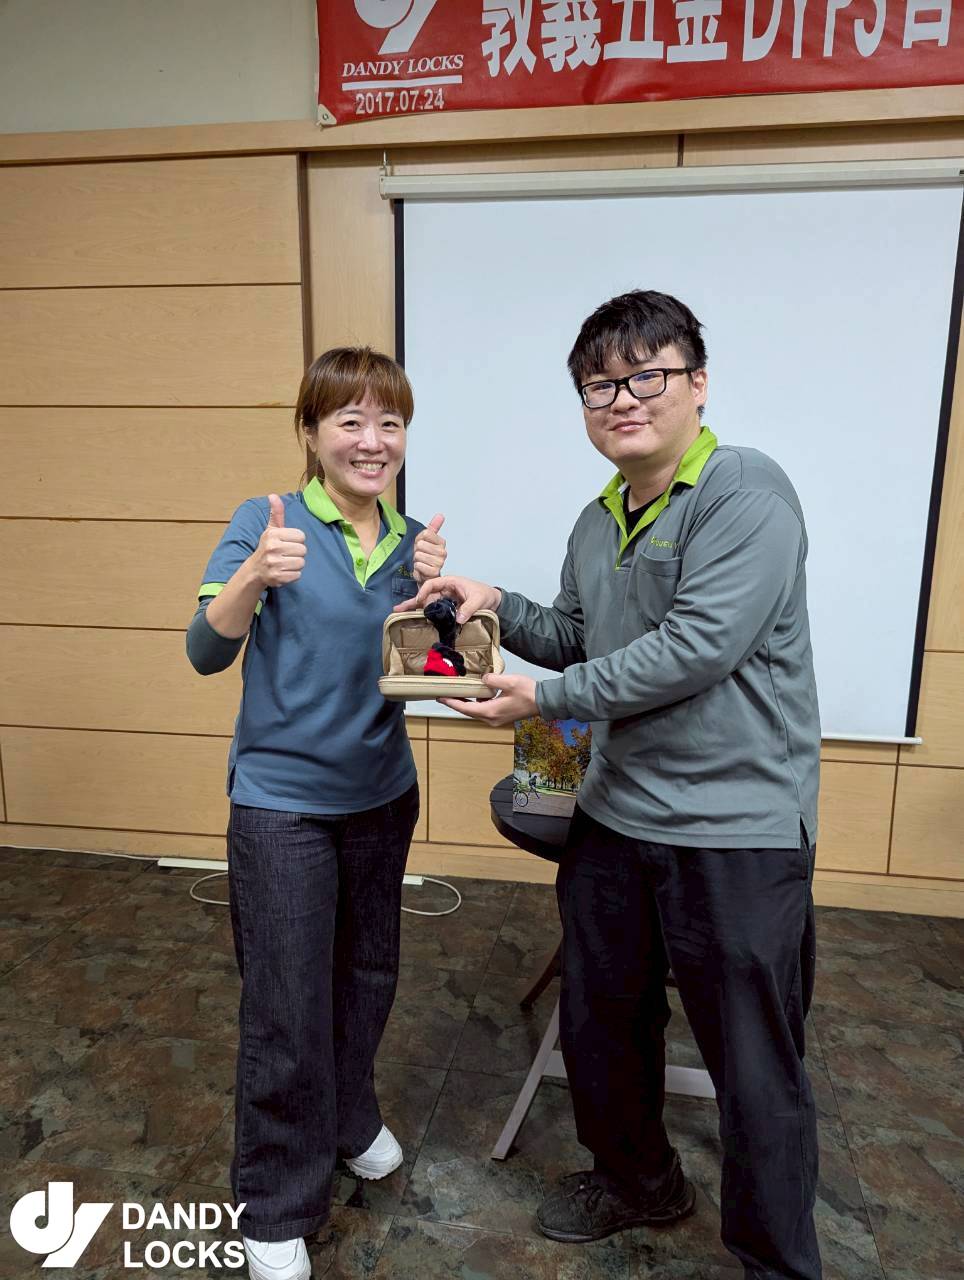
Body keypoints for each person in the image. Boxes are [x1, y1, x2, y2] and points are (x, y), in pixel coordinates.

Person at [402, 290, 822, 1279]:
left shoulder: (745, 491)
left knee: (755, 1063)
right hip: (616, 811)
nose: (623, 399)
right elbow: (580, 637)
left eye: (647, 376)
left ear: (697, 383)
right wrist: (495, 603)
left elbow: (696, 648)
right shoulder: (598, 519)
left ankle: (774, 1260)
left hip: (735, 826)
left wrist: (540, 698)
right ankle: (639, 1180)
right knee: (602, 1022)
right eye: (600, 386)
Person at [186, 347, 446, 1280]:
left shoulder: (411, 539)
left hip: (381, 794)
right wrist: (255, 576)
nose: (373, 441)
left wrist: (440, 607)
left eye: (390, 423)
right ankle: (275, 1203)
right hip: (283, 806)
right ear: (310, 431)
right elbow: (204, 651)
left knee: (368, 976)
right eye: (350, 421)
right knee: (286, 1005)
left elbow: (420, 670)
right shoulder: (267, 523)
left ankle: (348, 1116)